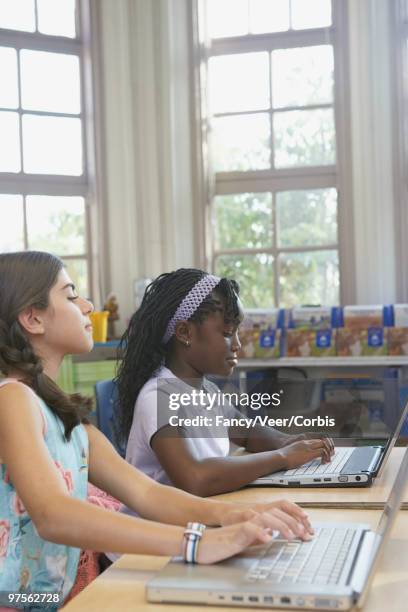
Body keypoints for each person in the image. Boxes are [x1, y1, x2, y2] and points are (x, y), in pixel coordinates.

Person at [0, 252, 313, 610]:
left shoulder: (62, 412)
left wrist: (237, 516)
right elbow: (54, 515)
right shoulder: (13, 399)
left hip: (61, 595)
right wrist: (196, 542)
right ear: (33, 318)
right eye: (71, 295)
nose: (86, 305)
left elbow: (146, 493)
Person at [115, 268, 335, 499]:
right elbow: (195, 479)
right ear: (184, 332)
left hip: (197, 518)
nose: (237, 344)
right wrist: (283, 457)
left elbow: (247, 432)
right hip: (160, 529)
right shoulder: (159, 397)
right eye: (228, 332)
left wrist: (290, 441)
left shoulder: (206, 391)